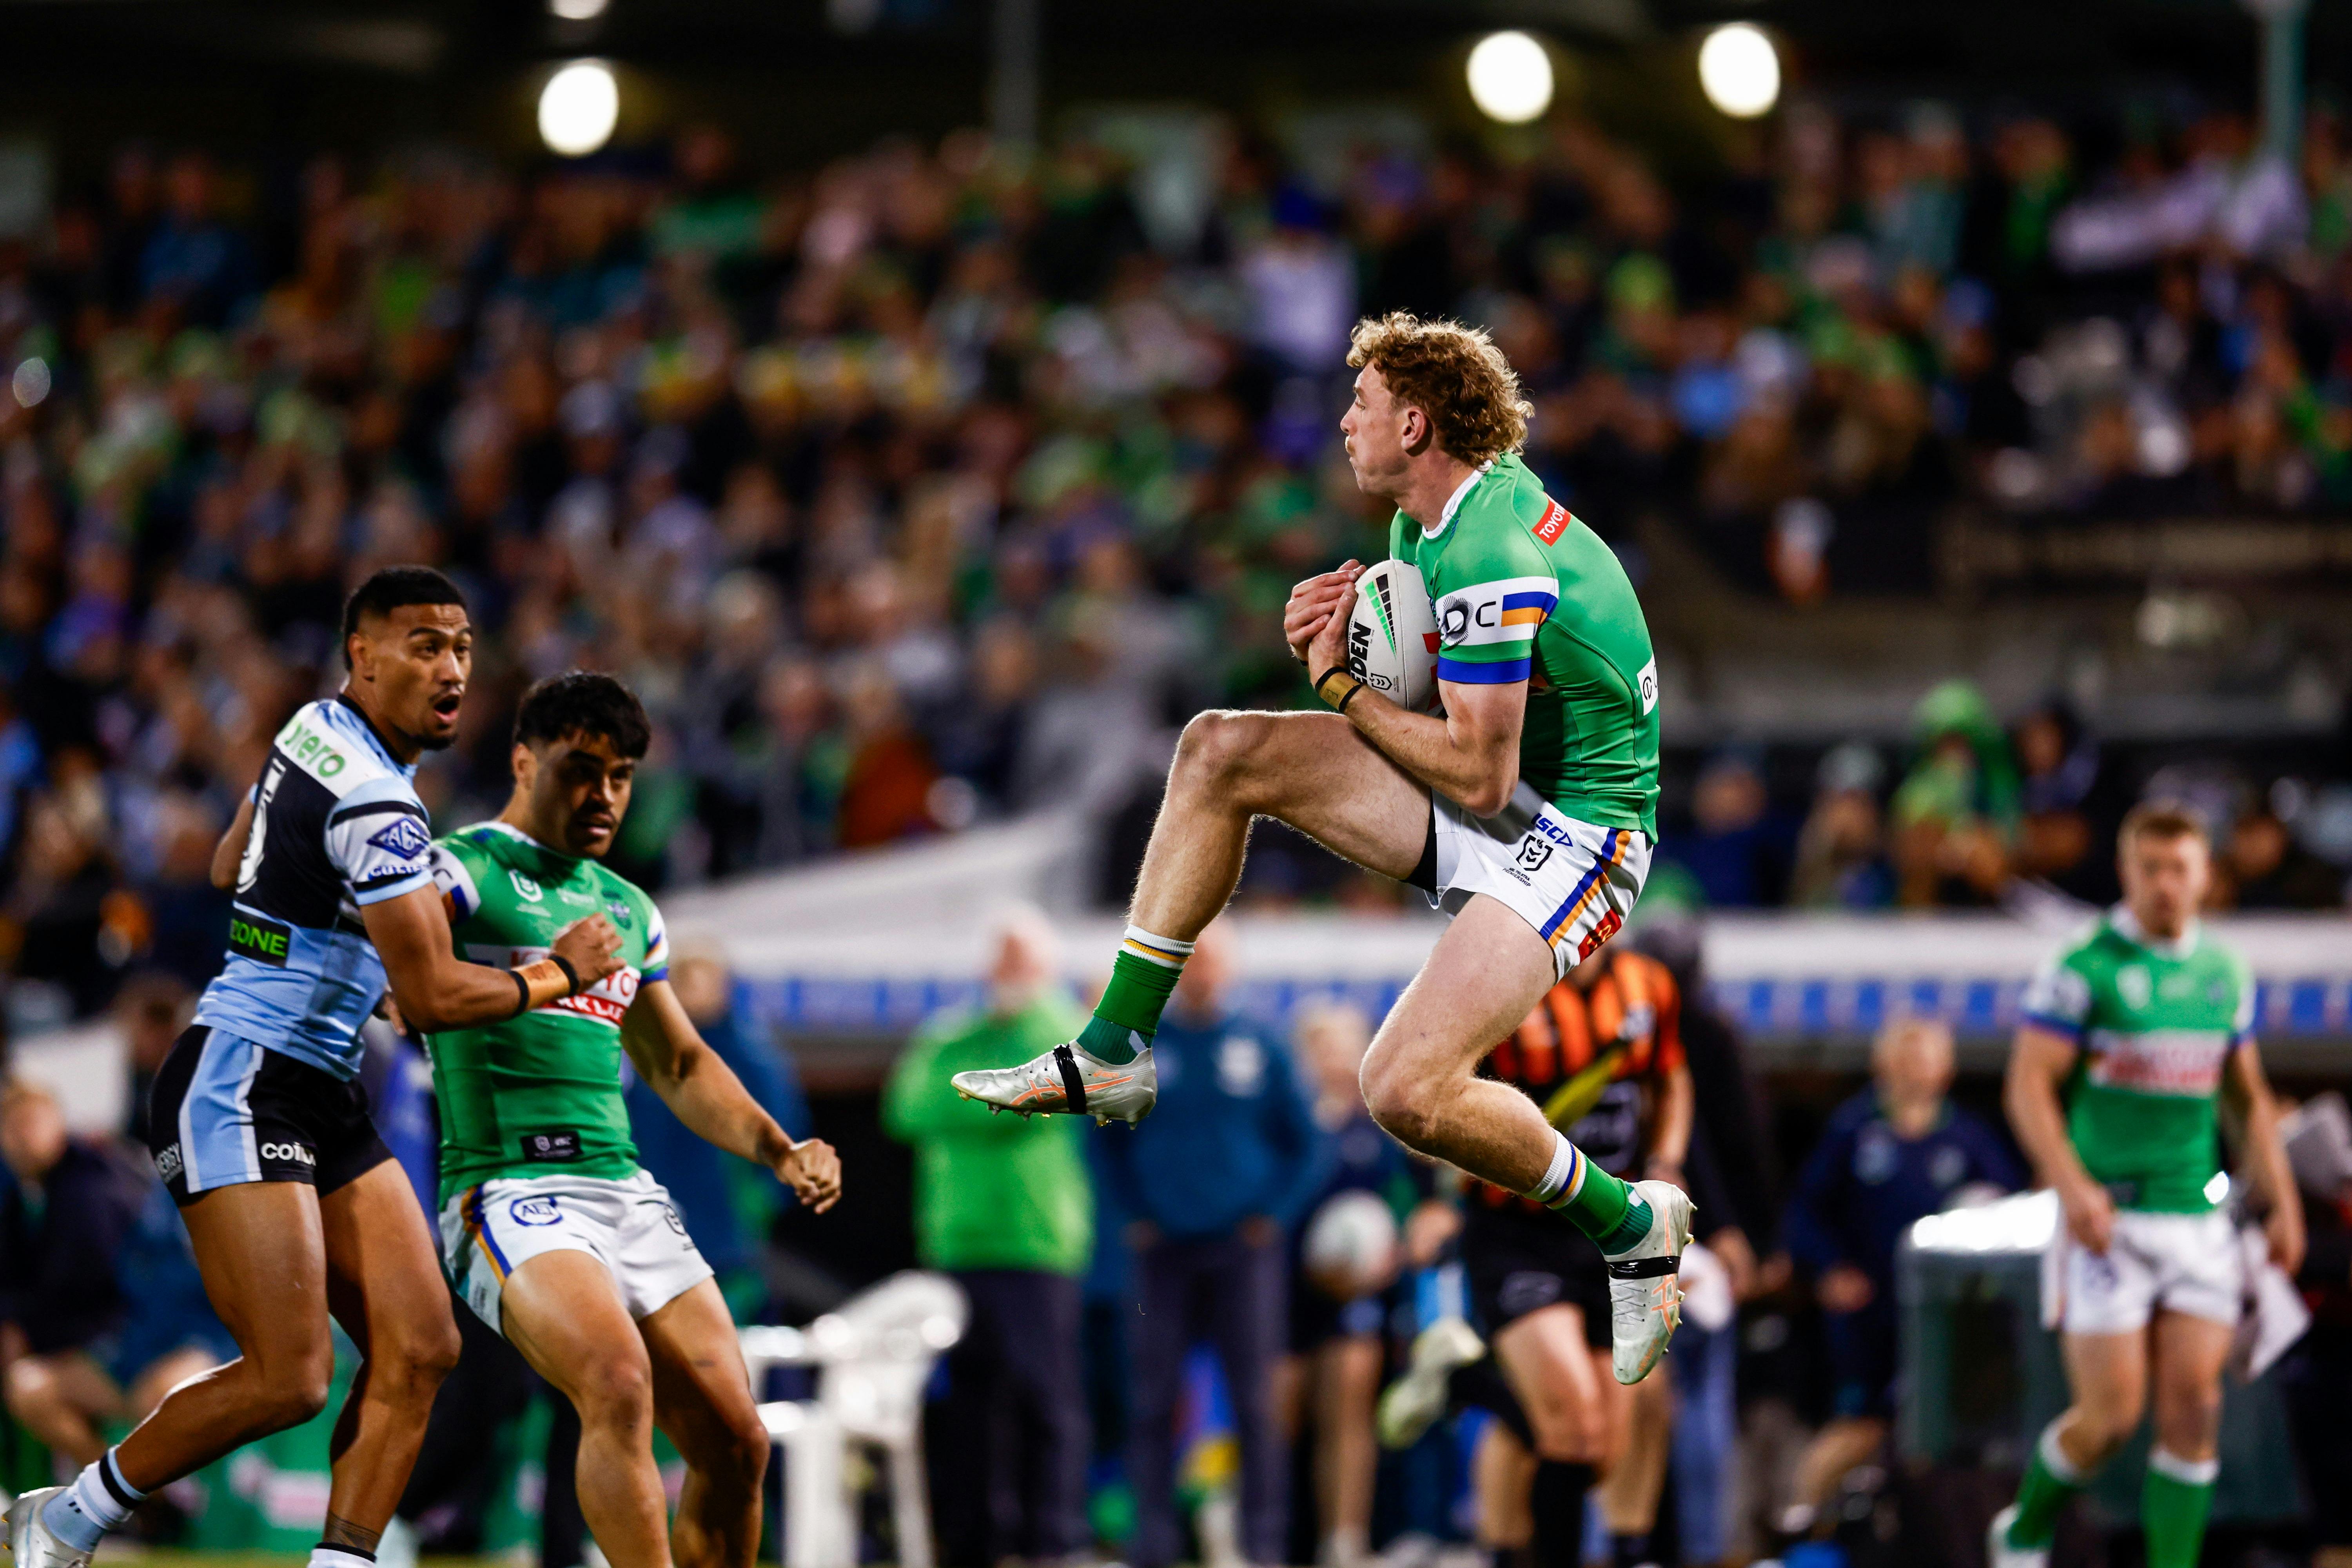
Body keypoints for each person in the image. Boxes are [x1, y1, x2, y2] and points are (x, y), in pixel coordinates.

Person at [952, 311, 1689, 1385]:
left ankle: (1630, 1224)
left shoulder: (1488, 546)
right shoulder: (1428, 527)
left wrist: (1344, 688)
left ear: (1418, 421)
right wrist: (1367, 633)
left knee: (1402, 1089)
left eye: (1363, 404)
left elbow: (1478, 771)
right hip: (1513, 798)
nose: (1346, 422)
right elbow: (1448, 706)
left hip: (1582, 840)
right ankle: (1114, 1048)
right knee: (1218, 750)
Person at [7, 566, 630, 1568]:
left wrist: (341, 953)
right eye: (423, 646)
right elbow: (429, 1001)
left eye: (463, 646)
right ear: (363, 655)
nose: (452, 668)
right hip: (241, 1080)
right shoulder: (381, 802)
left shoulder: (314, 729)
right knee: (289, 1376)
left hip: (321, 1084)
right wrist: (562, 971)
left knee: (422, 1344)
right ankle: (66, 1516)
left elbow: (229, 864)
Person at [422, 670, 840, 1568]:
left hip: (622, 1187)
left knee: (738, 1443)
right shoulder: (458, 871)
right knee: (616, 1381)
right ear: (525, 760)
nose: (604, 793)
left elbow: (678, 1061)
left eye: (622, 776)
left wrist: (778, 1146)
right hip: (508, 1187)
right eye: (582, 770)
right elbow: (411, 991)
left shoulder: (627, 906)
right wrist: (549, 973)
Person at [1989, 802, 2305, 1568]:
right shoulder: (2084, 964)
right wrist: (2071, 1186)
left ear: (2206, 876)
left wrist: (2285, 1198)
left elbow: (2245, 1093)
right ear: (2127, 873)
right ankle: (2023, 1530)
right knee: (2110, 1418)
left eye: (2180, 868)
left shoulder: (2224, 972)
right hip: (2111, 1218)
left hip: (2196, 1220)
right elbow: (2028, 1084)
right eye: (2150, 868)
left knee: (2196, 1409)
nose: (2166, 884)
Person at [1447, 942, 1692, 1568]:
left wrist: (1665, 1161)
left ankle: (1469, 1382)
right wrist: (1438, 1185)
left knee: (1601, 1447)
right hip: (1519, 1232)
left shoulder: (1648, 983)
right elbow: (1442, 1091)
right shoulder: (1504, 984)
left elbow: (1671, 1078)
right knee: (1575, 1426)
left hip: (1610, 1229)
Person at [1095, 923, 1324, 1568]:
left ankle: (1263, 1544)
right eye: (1190, 966)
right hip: (1160, 1251)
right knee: (1151, 1399)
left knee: (1255, 1400)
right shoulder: (1141, 1046)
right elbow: (1103, 1141)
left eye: (1211, 965)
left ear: (1230, 971)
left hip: (1242, 1250)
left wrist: (1272, 1215)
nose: (1200, 977)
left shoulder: (1262, 1045)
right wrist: (1132, 1214)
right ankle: (1154, 1544)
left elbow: (1307, 1143)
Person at [882, 906, 1093, 1568]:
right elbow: (907, 1108)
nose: (1012, 974)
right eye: (1003, 959)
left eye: (1024, 960)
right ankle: (975, 1544)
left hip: (1037, 1245)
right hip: (959, 1246)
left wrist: (973, 1100)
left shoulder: (1062, 1026)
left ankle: (1053, 1541)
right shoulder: (950, 1035)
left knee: (1046, 1401)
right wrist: (1002, 1102)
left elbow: (1060, 1088)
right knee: (971, 1407)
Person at [1779, 1018, 2019, 1534]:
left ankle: (1928, 1536)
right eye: (1905, 1057)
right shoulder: (1854, 1131)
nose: (1916, 1069)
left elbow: (2008, 1213)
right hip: (1869, 1311)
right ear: (1882, 1065)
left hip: (1942, 1317)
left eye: (1928, 1057)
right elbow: (1806, 1212)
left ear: (1948, 1068)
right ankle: (1802, 1529)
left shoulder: (1968, 1139)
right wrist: (1830, 1271)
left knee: (1938, 1432)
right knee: (1859, 1426)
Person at [1279, 1002, 1427, 1568]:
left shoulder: (1382, 1129)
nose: (1334, 1059)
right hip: (1290, 1290)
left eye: (1345, 1045)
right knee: (1280, 1412)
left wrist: (1388, 1257)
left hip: (1356, 1296)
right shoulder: (1291, 1127)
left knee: (1349, 1408)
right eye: (1322, 1047)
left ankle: (1344, 1538)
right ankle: (1270, 1532)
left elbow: (1411, 1213)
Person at [0, 1081, 180, 1471]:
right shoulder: (25, 1194)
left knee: (29, 1387)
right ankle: (124, 1496)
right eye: (11, 1128)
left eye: (30, 1123)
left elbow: (88, 1287)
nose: (21, 1138)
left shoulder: (92, 1187)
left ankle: (128, 1497)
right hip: (94, 1345)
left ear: (58, 1123)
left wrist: (24, 1329)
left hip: (134, 1349)